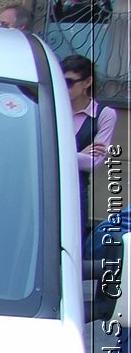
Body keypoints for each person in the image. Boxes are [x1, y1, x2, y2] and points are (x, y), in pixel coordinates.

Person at [63, 54, 119, 231]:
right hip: (44, 184)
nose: (64, 87)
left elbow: (93, 162)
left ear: (87, 82)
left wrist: (59, 155)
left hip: (76, 190)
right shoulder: (54, 109)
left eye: (69, 82)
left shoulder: (104, 114)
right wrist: (78, 155)